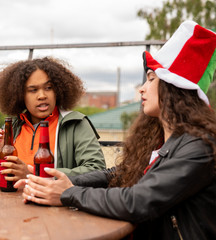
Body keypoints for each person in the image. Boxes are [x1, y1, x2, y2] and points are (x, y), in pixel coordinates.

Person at [15, 21, 216, 239]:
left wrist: (68, 193)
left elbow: (138, 201)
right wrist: (56, 183)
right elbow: (117, 174)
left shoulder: (200, 146)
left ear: (174, 87)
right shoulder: (162, 140)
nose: (142, 88)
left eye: (151, 79)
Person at [0, 57, 105, 182]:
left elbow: (96, 170)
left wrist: (34, 175)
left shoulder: (76, 123)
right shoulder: (12, 127)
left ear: (58, 90)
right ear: (20, 95)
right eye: (33, 90)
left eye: (48, 88)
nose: (42, 95)